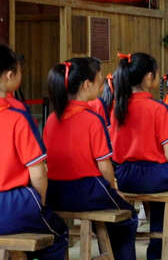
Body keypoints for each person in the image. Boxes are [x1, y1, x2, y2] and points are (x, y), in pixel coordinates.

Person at [110, 52, 168, 260]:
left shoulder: (118, 108)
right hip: (154, 175)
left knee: (164, 192)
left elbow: (114, 150)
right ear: (149, 77)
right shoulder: (158, 108)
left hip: (125, 176)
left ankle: (156, 250)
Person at [44, 57, 137, 260]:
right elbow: (104, 166)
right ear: (87, 85)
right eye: (100, 81)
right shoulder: (92, 120)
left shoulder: (51, 119)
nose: (102, 85)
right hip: (87, 191)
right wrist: (114, 189)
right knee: (129, 216)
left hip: (55, 192)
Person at [0, 44, 68, 260]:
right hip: (12, 206)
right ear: (10, 75)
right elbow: (37, 173)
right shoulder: (17, 117)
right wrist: (41, 204)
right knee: (59, 232)